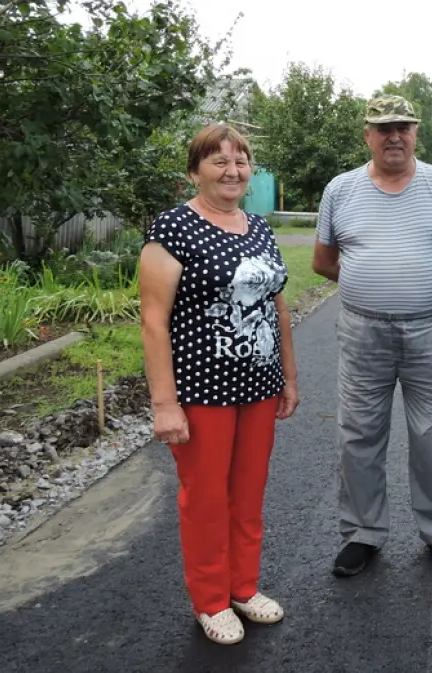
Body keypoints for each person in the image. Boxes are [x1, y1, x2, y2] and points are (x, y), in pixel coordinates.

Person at [139, 122, 299, 645]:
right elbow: (153, 321)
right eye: (218, 161)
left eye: (240, 161)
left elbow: (276, 305)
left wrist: (289, 378)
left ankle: (244, 588)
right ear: (195, 171)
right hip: (202, 390)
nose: (232, 170)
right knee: (206, 496)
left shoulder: (258, 227)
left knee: (248, 492)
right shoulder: (173, 228)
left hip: (260, 385)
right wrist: (165, 404)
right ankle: (210, 599)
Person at [313, 94, 432, 577]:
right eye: (383, 128)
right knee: (359, 433)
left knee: (429, 433)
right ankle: (363, 532)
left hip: (427, 329)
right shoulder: (340, 191)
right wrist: (373, 283)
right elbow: (323, 261)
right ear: (367, 135)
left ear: (415, 133)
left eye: (403, 126)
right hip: (362, 332)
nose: (394, 135)